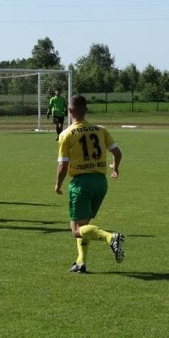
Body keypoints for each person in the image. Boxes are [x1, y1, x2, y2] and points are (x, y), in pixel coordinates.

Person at [54, 94, 124, 273]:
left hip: (81, 184)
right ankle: (81, 262)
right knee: (84, 225)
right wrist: (115, 168)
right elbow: (117, 153)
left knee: (77, 230)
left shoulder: (66, 134)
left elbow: (63, 165)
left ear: (69, 111)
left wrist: (58, 184)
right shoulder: (100, 129)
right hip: (101, 182)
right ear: (86, 110)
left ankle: (110, 238)